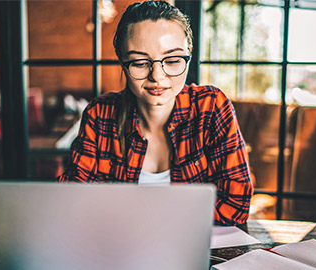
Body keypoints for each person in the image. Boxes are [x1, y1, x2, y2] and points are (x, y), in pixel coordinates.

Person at [58, 0, 253, 226]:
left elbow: (236, 205)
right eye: (140, 62)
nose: (157, 76)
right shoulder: (99, 114)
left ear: (188, 53)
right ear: (123, 61)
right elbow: (75, 201)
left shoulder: (211, 106)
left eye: (172, 60)